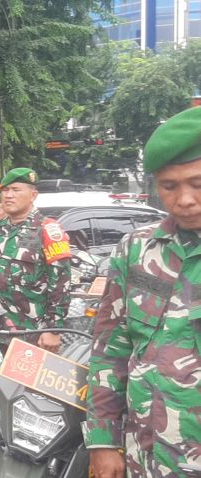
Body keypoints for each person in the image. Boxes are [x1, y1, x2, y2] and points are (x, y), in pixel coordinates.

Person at [86, 106, 201, 478]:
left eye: (197, 183)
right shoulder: (136, 250)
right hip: (147, 457)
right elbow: (110, 349)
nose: (184, 199)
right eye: (169, 186)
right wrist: (103, 442)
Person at [0, 168, 71, 353]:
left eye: (16, 190)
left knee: (24, 383)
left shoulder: (48, 230)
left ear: (33, 195)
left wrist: (53, 328)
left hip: (32, 334)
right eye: (5, 191)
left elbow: (61, 282)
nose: (9, 195)